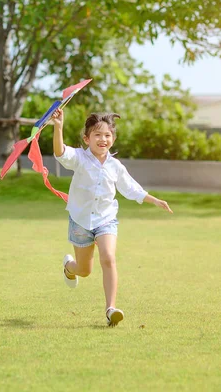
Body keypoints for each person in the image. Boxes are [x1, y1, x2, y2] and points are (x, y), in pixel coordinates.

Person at [52, 109, 173, 326]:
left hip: (105, 219)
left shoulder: (115, 166)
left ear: (113, 139)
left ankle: (110, 309)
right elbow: (61, 153)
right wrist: (58, 127)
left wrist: (153, 200)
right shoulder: (79, 158)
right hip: (80, 220)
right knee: (85, 270)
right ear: (86, 138)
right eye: (97, 135)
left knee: (108, 257)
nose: (103, 139)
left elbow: (130, 188)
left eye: (107, 135)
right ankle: (69, 267)